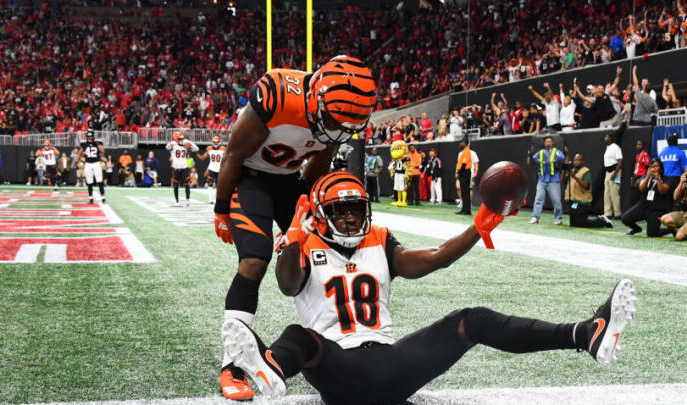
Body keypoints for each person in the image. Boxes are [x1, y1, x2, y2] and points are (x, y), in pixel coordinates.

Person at [221, 172, 637, 405]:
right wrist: (295, 228)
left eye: (355, 210)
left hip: (390, 367)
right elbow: (287, 283)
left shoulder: (379, 240)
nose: (349, 220)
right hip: (337, 371)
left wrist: (479, 225)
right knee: (301, 336)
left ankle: (585, 334)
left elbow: (436, 257)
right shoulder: (301, 244)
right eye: (339, 212)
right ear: (318, 214)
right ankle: (273, 365)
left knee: (470, 321)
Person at [214, 55, 376, 401]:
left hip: (289, 181)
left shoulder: (336, 116)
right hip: (250, 178)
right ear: (317, 99)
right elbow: (232, 154)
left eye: (347, 123)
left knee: (328, 246)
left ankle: (331, 341)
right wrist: (221, 208)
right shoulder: (277, 95)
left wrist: (304, 204)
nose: (339, 128)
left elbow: (318, 162)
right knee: (255, 260)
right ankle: (233, 363)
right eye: (333, 118)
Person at [622, 158, 674, 237]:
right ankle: (636, 229)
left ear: (660, 168)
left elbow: (662, 191)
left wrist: (658, 179)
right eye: (652, 166)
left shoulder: (665, 179)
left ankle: (671, 230)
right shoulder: (645, 177)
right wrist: (647, 177)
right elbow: (641, 188)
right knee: (625, 218)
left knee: (652, 234)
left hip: (656, 209)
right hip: (643, 205)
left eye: (656, 166)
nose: (654, 168)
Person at [562, 154, 613, 228]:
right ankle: (599, 220)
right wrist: (564, 170)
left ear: (583, 162)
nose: (575, 162)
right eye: (574, 160)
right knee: (574, 224)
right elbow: (563, 181)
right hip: (574, 202)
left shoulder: (586, 171)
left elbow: (586, 186)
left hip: (583, 203)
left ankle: (601, 221)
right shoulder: (572, 171)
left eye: (578, 160)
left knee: (580, 223)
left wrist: (574, 177)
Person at [528, 136, 565, 225]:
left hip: (553, 180)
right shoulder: (540, 153)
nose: (548, 143)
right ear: (544, 144)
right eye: (546, 142)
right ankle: (535, 217)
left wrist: (558, 154)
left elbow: (562, 158)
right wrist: (533, 155)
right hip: (542, 180)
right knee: (538, 199)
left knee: (556, 200)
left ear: (552, 143)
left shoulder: (557, 152)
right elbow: (533, 159)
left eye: (549, 142)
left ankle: (558, 218)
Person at [167, 132, 199, 206]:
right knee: (175, 184)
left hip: (184, 166)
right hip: (176, 167)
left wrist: (190, 143)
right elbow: (167, 147)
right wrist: (173, 142)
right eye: (180, 139)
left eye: (182, 138)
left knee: (187, 184)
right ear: (175, 139)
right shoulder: (173, 144)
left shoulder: (185, 143)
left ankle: (187, 200)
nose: (181, 140)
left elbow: (196, 149)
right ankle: (177, 201)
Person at [77, 130, 107, 204]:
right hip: (88, 164)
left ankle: (103, 197)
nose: (90, 138)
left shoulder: (97, 143)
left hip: (96, 163)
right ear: (87, 137)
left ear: (93, 136)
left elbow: (103, 151)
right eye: (89, 136)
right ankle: (91, 197)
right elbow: (79, 153)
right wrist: (80, 158)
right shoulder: (84, 144)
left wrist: (97, 144)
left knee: (100, 181)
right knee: (89, 182)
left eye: (91, 136)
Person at [660, 172, 687, 241]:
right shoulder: (685, 181)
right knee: (665, 219)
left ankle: (682, 232)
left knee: (679, 236)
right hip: (685, 213)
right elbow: (675, 197)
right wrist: (681, 182)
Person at [603, 133, 623, 219]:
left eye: (607, 137)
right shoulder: (608, 148)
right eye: (605, 138)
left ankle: (617, 214)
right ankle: (608, 213)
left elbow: (620, 160)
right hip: (608, 172)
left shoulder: (616, 147)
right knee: (607, 193)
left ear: (611, 139)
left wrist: (615, 173)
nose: (605, 139)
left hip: (615, 172)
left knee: (615, 192)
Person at [455, 138, 473, 215]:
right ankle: (464, 209)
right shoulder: (464, 152)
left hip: (465, 172)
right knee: (463, 192)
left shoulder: (467, 151)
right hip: (463, 173)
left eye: (461, 142)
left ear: (465, 143)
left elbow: (464, 164)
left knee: (465, 192)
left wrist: (459, 172)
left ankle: (467, 210)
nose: (460, 144)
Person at [632, 140, 651, 206]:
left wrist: (643, 178)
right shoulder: (637, 155)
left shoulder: (645, 154)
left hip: (641, 176)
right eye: (637, 144)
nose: (638, 146)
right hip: (636, 175)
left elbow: (648, 166)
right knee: (635, 195)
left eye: (640, 144)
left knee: (641, 195)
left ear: (643, 146)